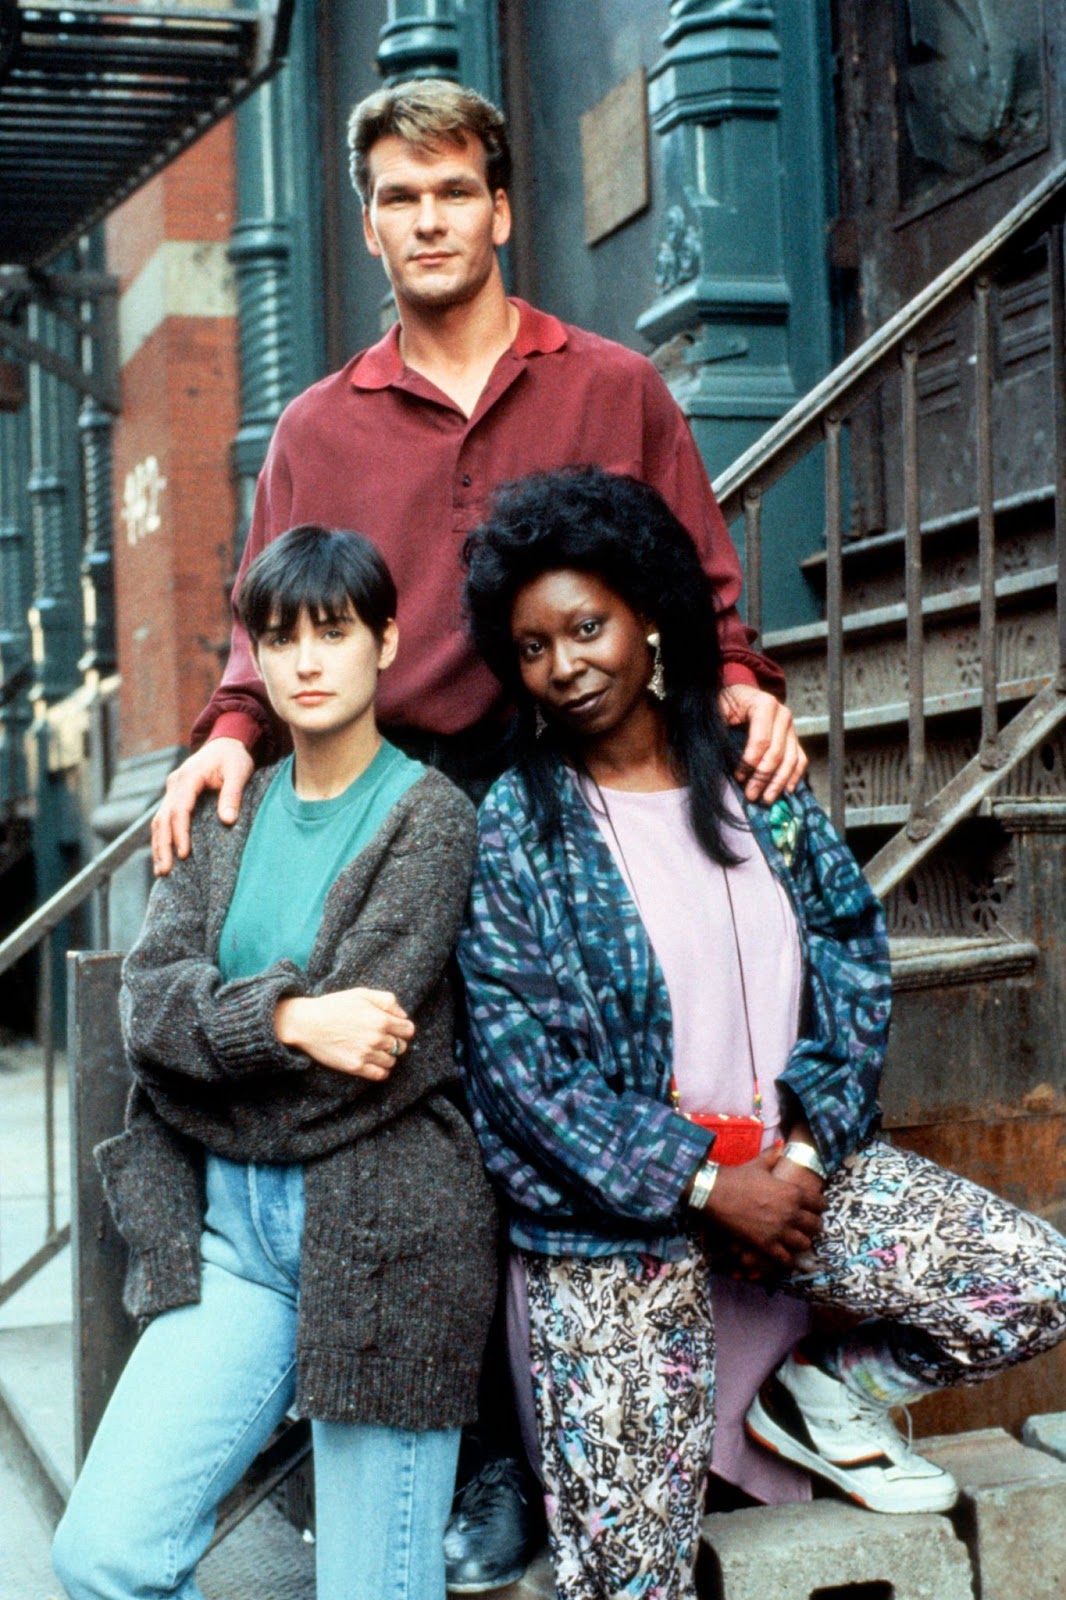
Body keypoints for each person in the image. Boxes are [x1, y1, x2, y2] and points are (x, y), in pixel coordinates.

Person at [147, 76, 806, 1589]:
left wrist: (752, 690)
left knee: (641, 1086)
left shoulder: (613, 385)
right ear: (371, 225)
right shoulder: (319, 425)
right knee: (466, 1146)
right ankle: (499, 1452)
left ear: (501, 209)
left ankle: (721, 1385)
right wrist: (228, 740)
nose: (428, 220)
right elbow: (268, 629)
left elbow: (698, 585)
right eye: (399, 197)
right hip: (417, 803)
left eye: (454, 192)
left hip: (594, 780)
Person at [456, 465, 1066, 1600]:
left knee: (1033, 1280)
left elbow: (851, 961)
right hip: (613, 1234)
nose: (565, 664)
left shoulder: (754, 777)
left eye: (587, 626)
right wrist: (701, 1182)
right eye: (533, 646)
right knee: (631, 1578)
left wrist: (796, 1149)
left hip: (795, 1180)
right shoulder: (517, 823)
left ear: (647, 619)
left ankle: (820, 1397)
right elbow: (520, 1075)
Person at [52, 526, 497, 1600]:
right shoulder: (225, 810)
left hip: (388, 1231)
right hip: (236, 1237)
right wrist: (292, 1019)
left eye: (332, 632)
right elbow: (143, 1009)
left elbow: (362, 1056)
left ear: (384, 642)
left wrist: (207, 1068)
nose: (305, 661)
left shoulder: (430, 818)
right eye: (279, 636)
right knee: (104, 1552)